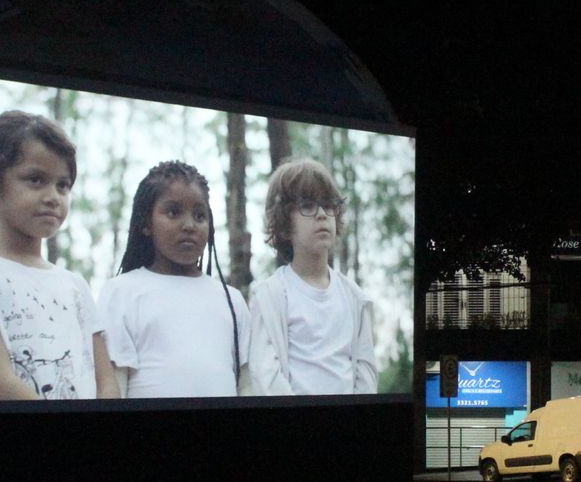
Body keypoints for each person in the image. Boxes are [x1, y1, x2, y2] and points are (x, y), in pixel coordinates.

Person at [0, 110, 118, 400]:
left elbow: (106, 383)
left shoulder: (75, 284)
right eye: (36, 179)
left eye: (63, 185)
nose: (54, 196)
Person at [97, 160, 250, 398]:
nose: (189, 225)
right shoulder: (121, 292)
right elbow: (113, 385)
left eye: (200, 215)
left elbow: (246, 384)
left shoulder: (232, 300)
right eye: (173, 212)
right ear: (146, 223)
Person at [249, 158, 377, 396]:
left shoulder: (354, 297)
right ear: (284, 225)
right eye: (307, 205)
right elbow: (265, 375)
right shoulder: (270, 295)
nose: (322, 215)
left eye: (328, 205)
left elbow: (366, 372)